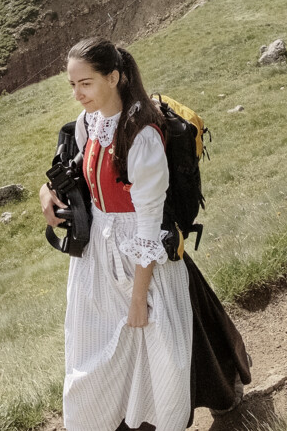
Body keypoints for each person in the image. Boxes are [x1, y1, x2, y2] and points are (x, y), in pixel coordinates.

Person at [42, 38, 191, 431]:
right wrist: (48, 192)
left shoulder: (142, 138)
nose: (77, 95)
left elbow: (149, 224)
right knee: (89, 353)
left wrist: (139, 297)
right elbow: (76, 171)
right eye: (72, 85)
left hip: (137, 256)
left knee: (151, 345)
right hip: (97, 256)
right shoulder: (89, 124)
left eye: (85, 84)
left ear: (114, 77)